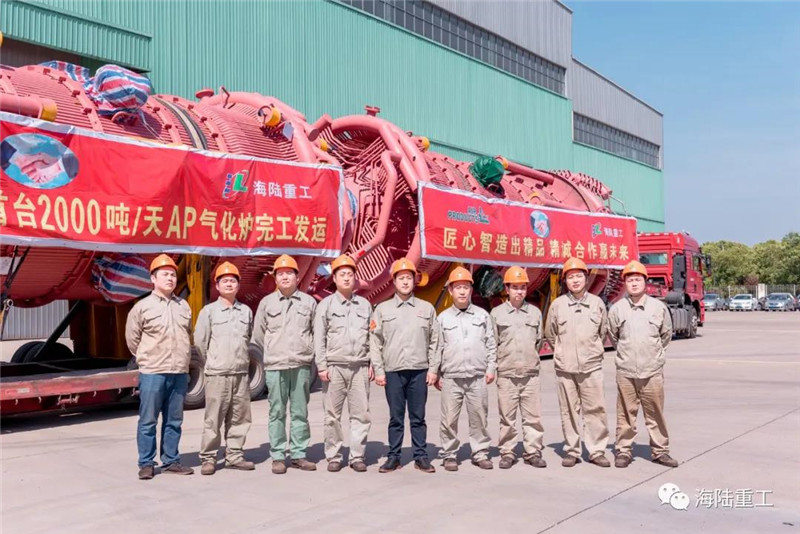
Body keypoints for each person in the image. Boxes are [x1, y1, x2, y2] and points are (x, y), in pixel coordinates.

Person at [125, 254, 194, 480]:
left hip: (179, 372)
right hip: (153, 372)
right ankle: (146, 463)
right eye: (165, 274)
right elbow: (132, 339)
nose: (170, 278)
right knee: (148, 420)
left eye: (173, 274)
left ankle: (171, 460)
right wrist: (146, 358)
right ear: (153, 279)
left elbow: (188, 334)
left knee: (174, 420)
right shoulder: (142, 307)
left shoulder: (183, 306)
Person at [370, 258, 439, 473]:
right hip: (393, 371)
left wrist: (433, 369)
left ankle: (421, 456)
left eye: (409, 277)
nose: (405, 282)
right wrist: (379, 370)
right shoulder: (382, 309)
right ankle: (394, 457)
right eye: (401, 278)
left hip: (419, 371)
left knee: (418, 418)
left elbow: (435, 340)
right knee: (396, 418)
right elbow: (375, 342)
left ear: (414, 280)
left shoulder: (426, 308)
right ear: (394, 282)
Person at [608, 260, 678, 468]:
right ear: (625, 283)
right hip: (626, 372)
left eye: (638, 279)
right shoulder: (617, 309)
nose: (634, 283)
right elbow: (613, 336)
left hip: (652, 371)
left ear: (645, 282)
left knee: (655, 414)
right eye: (630, 280)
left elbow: (666, 335)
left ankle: (660, 451)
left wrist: (653, 356)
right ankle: (623, 451)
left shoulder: (658, 308)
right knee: (625, 415)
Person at [251, 254, 317, 474]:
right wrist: (271, 353)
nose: (285, 277)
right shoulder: (266, 303)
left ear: (297, 277)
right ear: (275, 278)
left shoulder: (308, 303)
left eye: (289, 273)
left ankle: (298, 454)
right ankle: (278, 456)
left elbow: (316, 332)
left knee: (300, 412)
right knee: (276, 412)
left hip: (300, 365)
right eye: (281, 273)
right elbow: (258, 335)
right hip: (275, 366)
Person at [544, 257, 612, 468]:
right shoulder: (558, 305)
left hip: (591, 367)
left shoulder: (597, 304)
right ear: (565, 280)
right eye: (571, 277)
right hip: (565, 368)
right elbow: (550, 334)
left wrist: (590, 351)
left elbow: (603, 332)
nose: (575, 280)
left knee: (595, 409)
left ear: (586, 278)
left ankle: (597, 451)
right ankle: (572, 451)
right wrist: (562, 352)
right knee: (568, 411)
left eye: (579, 276)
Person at [313, 255, 373, 473]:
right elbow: (319, 337)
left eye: (350, 274)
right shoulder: (326, 305)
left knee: (361, 415)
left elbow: (372, 337)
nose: (347, 278)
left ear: (355, 278)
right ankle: (334, 455)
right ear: (335, 279)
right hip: (334, 367)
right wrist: (321, 365)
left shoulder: (365, 305)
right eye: (342, 275)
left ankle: (357, 456)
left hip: (360, 367)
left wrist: (372, 363)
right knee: (332, 415)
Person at [195, 261, 255, 475]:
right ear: (217, 285)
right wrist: (214, 362)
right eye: (225, 281)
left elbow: (248, 338)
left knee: (240, 418)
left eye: (232, 281)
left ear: (238, 285)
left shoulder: (246, 312)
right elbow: (200, 342)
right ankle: (209, 458)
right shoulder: (209, 312)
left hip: (240, 374)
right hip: (217, 374)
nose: (229, 284)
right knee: (213, 419)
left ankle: (234, 456)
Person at [436, 266, 496, 471]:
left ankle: (480, 453)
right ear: (450, 290)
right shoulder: (443, 318)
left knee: (479, 418)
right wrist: (437, 372)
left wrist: (491, 368)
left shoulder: (482, 315)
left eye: (465, 287)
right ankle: (449, 454)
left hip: (477, 376)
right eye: (458, 287)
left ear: (471, 290)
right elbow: (437, 348)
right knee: (449, 419)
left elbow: (491, 343)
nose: (462, 291)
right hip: (451, 377)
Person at [490, 266, 547, 469]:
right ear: (507, 289)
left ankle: (533, 452)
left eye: (522, 287)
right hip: (506, 374)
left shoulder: (535, 313)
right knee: (507, 418)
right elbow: (493, 343)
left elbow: (538, 341)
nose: (519, 291)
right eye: (515, 287)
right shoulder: (496, 314)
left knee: (533, 417)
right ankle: (507, 452)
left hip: (530, 374)